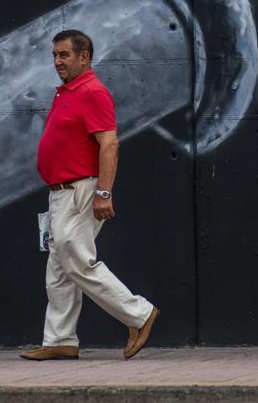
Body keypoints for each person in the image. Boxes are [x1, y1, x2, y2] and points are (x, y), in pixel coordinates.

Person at [20, 29, 158, 360]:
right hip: (60, 194)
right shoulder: (66, 93)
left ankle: (139, 313)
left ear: (84, 57)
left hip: (81, 190)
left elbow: (109, 144)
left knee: (77, 259)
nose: (57, 61)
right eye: (54, 55)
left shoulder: (93, 92)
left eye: (64, 55)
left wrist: (103, 193)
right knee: (59, 269)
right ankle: (60, 340)